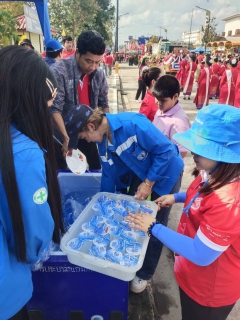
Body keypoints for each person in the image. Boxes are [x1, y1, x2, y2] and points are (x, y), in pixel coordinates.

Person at [127, 104, 240, 320]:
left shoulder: (229, 202)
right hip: (191, 272)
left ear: (225, 155)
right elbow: (200, 192)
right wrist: (177, 197)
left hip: (209, 289)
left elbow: (201, 253)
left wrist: (153, 227)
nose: (194, 153)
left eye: (202, 149)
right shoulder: (213, 171)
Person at [73, 109, 184, 293]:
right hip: (141, 174)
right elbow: (108, 175)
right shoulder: (103, 142)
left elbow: (165, 150)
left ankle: (145, 273)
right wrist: (102, 206)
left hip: (166, 172)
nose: (88, 141)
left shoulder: (132, 123)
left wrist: (149, 183)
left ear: (92, 126)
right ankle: (130, 255)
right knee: (131, 216)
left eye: (85, 137)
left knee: (155, 224)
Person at [0, 45, 64, 320]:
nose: (49, 114)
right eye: (47, 106)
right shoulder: (24, 155)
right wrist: (40, 252)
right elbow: (33, 232)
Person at [50, 30, 109, 170]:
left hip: (87, 130)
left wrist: (105, 130)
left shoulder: (98, 74)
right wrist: (66, 138)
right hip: (63, 131)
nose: (92, 67)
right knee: (64, 171)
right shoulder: (59, 71)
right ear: (77, 53)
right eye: (88, 61)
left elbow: (104, 103)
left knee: (96, 167)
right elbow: (54, 108)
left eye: (97, 62)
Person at [152, 75, 191, 159]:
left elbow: (182, 152)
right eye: (157, 98)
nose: (158, 103)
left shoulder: (179, 123)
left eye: (163, 100)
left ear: (175, 97)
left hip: (166, 167)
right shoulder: (162, 109)